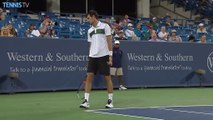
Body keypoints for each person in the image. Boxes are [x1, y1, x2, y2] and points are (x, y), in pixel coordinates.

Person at [80, 10, 114, 109]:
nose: (88, 20)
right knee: (89, 77)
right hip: (92, 57)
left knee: (107, 78)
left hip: (104, 55)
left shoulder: (105, 26)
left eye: (88, 18)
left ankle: (110, 100)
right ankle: (86, 101)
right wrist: (89, 57)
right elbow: (91, 45)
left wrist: (110, 56)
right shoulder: (89, 30)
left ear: (94, 16)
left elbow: (109, 41)